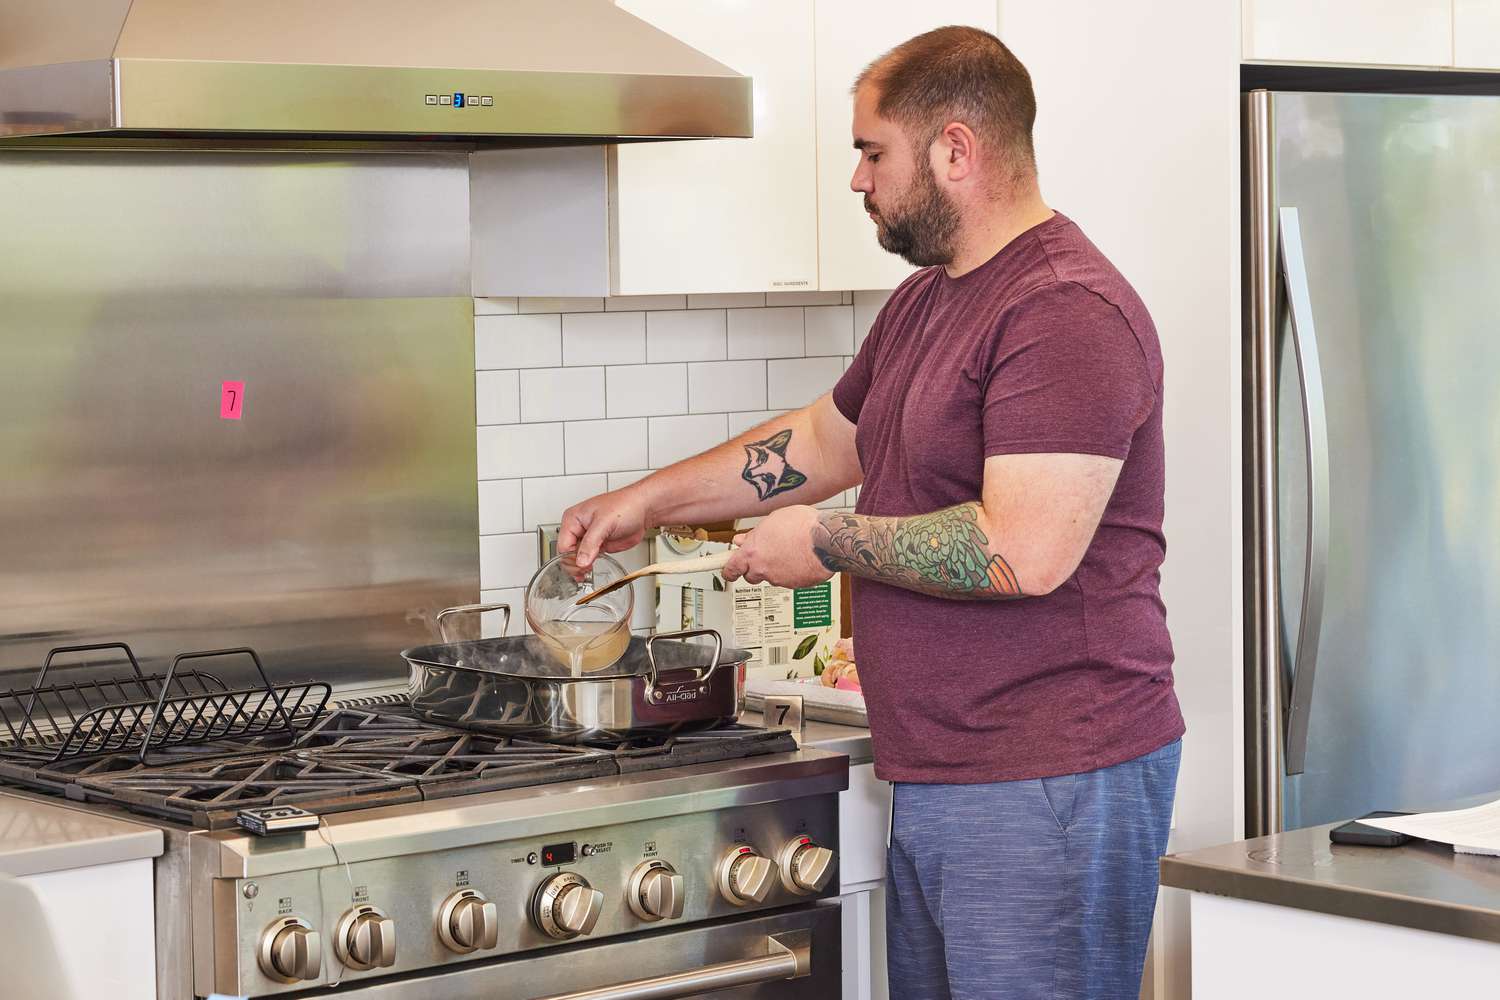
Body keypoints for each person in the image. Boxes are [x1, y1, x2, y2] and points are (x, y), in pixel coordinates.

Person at [559, 25, 1181, 1000]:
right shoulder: (930, 301)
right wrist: (646, 500)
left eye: (872, 150)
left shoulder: (1064, 310)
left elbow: (1023, 551)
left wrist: (824, 541)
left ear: (956, 150)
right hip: (946, 771)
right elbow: (819, 443)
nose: (857, 178)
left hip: (1048, 773)